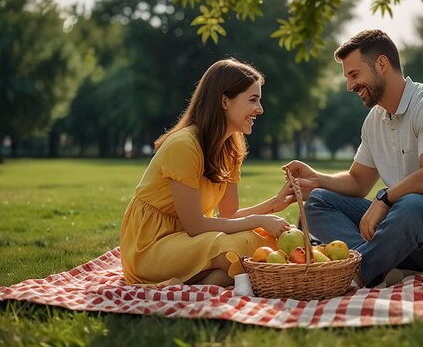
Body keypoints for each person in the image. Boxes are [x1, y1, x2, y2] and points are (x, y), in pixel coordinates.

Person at [284, 29, 423, 287]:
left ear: (381, 64)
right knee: (318, 201)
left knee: (413, 204)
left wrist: (385, 198)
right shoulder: (375, 120)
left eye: (354, 75)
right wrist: (317, 179)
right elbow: (358, 181)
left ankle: (352, 275)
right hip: (400, 230)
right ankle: (379, 264)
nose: (349, 86)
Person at [120, 58, 295, 287]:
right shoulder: (184, 145)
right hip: (151, 247)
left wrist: (273, 206)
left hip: (190, 241)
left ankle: (204, 280)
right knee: (245, 245)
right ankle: (209, 276)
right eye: (253, 100)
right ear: (225, 101)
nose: (259, 110)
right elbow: (195, 225)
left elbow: (228, 215)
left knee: (269, 240)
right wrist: (257, 219)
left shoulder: (232, 146)